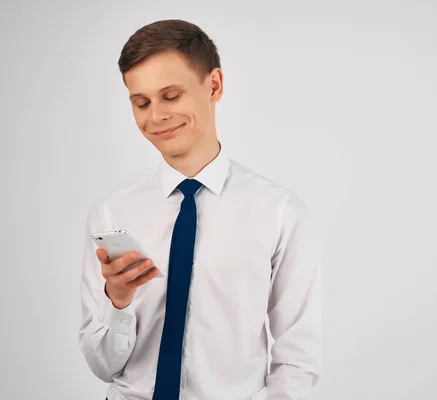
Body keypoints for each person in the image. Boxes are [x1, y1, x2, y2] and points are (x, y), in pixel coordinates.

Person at [78, 19, 322, 400]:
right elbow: (103, 366)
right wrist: (118, 302)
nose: (155, 116)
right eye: (141, 103)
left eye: (171, 96)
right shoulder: (111, 214)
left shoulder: (279, 212)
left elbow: (297, 356)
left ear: (214, 85)